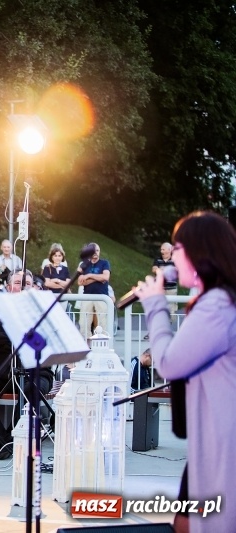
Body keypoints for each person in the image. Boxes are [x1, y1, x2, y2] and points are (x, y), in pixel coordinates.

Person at [135, 211, 236, 533]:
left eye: (177, 246)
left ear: (198, 250)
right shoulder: (215, 299)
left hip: (224, 442)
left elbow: (168, 362)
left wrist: (155, 305)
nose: (172, 256)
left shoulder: (218, 305)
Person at [0, 270, 53, 460]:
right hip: (3, 371)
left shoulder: (41, 311)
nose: (21, 286)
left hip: (37, 371)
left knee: (32, 389)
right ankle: (1, 439)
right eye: (17, 282)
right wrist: (12, 338)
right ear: (8, 286)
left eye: (27, 283)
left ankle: (12, 439)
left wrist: (5, 340)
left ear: (33, 287)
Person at [77, 242, 110, 340]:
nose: (96, 252)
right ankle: (87, 348)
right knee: (84, 323)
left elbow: (106, 277)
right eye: (93, 250)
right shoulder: (84, 264)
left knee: (103, 323)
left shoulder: (104, 263)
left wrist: (88, 276)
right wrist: (98, 278)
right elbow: (80, 282)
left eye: (98, 250)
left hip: (102, 297)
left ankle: (104, 346)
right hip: (87, 296)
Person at [153, 242, 178, 317]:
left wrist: (162, 269)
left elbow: (177, 271)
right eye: (161, 250)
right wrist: (166, 270)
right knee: (160, 308)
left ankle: (169, 324)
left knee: (171, 310)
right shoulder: (158, 260)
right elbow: (154, 269)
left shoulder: (175, 260)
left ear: (169, 250)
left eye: (163, 250)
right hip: (160, 289)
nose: (162, 252)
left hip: (171, 289)